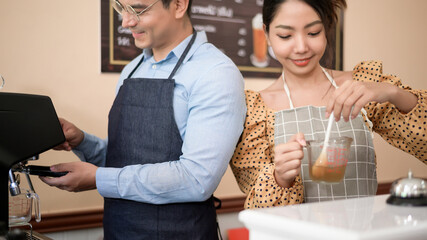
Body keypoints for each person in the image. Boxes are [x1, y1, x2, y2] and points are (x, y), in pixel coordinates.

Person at [40, 0, 246, 239]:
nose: (127, 21)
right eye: (122, 9)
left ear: (179, 5)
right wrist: (82, 142)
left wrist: (98, 178)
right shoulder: (133, 69)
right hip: (118, 231)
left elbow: (197, 179)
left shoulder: (215, 73)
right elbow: (124, 159)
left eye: (138, 10)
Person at [230, 0, 427, 209]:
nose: (301, 47)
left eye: (313, 32)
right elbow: (257, 213)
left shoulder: (362, 85)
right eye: (285, 36)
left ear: (326, 29)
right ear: (267, 35)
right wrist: (280, 178)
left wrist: (392, 92)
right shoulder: (254, 110)